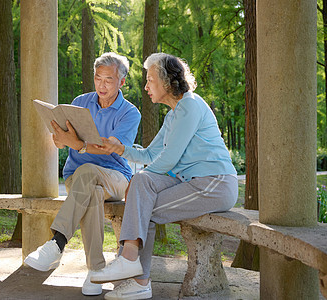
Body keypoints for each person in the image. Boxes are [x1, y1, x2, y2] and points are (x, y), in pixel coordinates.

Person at [90, 53, 238, 300]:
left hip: (215, 183)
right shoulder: (173, 115)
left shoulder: (190, 105)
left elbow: (169, 160)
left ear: (167, 82)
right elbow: (149, 154)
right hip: (191, 182)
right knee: (141, 181)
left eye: (150, 80)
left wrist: (137, 196)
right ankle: (134, 272)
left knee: (142, 205)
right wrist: (120, 148)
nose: (146, 87)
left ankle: (134, 272)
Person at [24, 52, 141, 297]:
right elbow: (62, 142)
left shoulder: (130, 113)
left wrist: (77, 144)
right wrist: (60, 139)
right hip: (78, 179)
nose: (102, 84)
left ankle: (57, 243)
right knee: (92, 191)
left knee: (89, 172)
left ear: (121, 82)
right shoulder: (80, 101)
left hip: (117, 178)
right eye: (98, 78)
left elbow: (111, 148)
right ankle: (96, 272)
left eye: (109, 79)